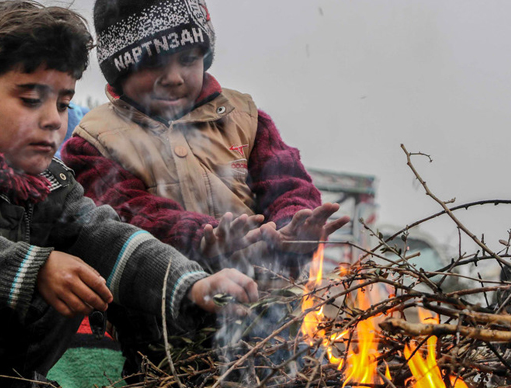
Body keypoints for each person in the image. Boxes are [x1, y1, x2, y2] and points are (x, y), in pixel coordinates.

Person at [0, 0, 257, 388]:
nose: (52, 121)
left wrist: (192, 283)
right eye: (31, 100)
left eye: (63, 104)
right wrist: (32, 267)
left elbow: (107, 236)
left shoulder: (47, 182)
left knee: (83, 268)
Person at [61, 0, 350, 277]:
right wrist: (201, 236)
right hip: (158, 314)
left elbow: (287, 183)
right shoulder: (95, 141)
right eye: (153, 62)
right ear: (120, 69)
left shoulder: (244, 119)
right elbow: (127, 214)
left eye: (187, 59)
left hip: (264, 311)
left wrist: (292, 224)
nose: (174, 77)